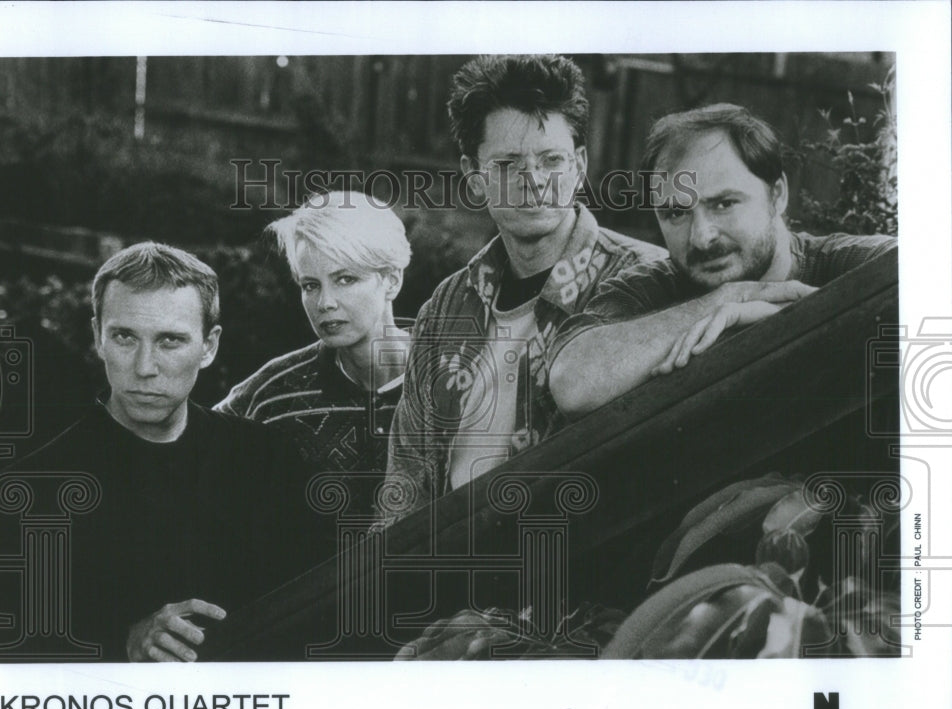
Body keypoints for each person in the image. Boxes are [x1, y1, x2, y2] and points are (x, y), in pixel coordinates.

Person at [0, 242, 321, 662]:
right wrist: (121, 644)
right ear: (98, 338)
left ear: (209, 346)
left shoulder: (269, 461)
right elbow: (3, 662)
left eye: (170, 341)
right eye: (125, 337)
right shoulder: (29, 493)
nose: (145, 367)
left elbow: (314, 626)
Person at [383, 54, 667, 517]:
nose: (533, 181)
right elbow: (407, 476)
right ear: (474, 178)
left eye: (551, 160)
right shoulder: (446, 308)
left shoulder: (648, 281)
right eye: (508, 164)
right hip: (450, 569)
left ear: (579, 165)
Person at [548, 103, 897, 416]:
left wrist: (790, 320)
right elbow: (573, 385)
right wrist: (727, 299)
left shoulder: (851, 264)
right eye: (675, 214)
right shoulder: (647, 289)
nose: (701, 236)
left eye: (724, 204)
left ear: (777, 195)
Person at [214, 191, 411, 511]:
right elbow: (186, 456)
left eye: (345, 279)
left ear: (391, 280)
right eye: (310, 285)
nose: (325, 303)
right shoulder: (271, 394)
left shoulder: (457, 378)